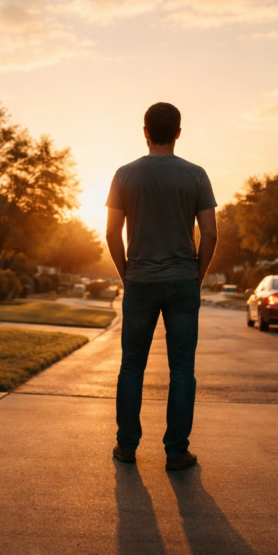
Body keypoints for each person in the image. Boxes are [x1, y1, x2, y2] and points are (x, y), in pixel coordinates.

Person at [105, 102, 218, 471]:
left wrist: (128, 275)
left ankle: (126, 446)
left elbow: (111, 233)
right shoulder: (196, 175)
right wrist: (196, 277)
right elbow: (211, 233)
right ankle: (176, 451)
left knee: (131, 367)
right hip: (183, 281)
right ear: (179, 133)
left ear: (145, 131)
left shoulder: (124, 175)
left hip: (139, 280)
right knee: (182, 369)